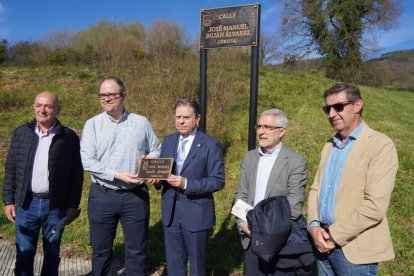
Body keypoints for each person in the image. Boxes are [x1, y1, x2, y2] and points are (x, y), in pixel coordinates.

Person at [307, 83, 398, 275]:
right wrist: (314, 226)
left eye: (338, 107)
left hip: (354, 249)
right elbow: (316, 188)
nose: (331, 114)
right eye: (327, 108)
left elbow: (374, 206)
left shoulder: (380, 145)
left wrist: (334, 235)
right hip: (321, 241)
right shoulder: (329, 145)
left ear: (357, 105)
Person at [80, 76, 161, 275]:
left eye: (111, 94)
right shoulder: (92, 125)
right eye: (102, 95)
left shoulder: (141, 123)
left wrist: (148, 166)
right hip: (102, 195)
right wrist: (117, 175)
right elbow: (88, 161)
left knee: (136, 250)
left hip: (135, 196)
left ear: (123, 96)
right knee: (100, 250)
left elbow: (156, 148)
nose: (106, 99)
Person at [2, 91, 84, 276]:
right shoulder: (21, 133)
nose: (43, 110)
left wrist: (72, 206)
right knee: (24, 255)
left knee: (52, 254)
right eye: (39, 105)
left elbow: (76, 174)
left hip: (55, 207)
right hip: (25, 205)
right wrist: (8, 200)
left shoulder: (68, 137)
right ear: (33, 107)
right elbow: (11, 169)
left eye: (48, 106)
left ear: (58, 110)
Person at [150, 98, 225, 276]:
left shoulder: (210, 144)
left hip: (196, 213)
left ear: (197, 119)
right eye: (178, 117)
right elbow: (164, 171)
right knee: (174, 264)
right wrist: (157, 180)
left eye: (186, 117)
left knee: (198, 266)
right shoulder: (168, 140)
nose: (180, 121)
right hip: (171, 212)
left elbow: (218, 180)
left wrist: (187, 183)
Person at [234, 108, 308, 275]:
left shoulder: (295, 161)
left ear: (282, 131)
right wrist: (242, 224)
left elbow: (294, 206)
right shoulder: (250, 157)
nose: (261, 131)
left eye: (267, 127)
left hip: (279, 242)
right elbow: (241, 195)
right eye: (259, 126)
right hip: (250, 238)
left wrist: (264, 230)